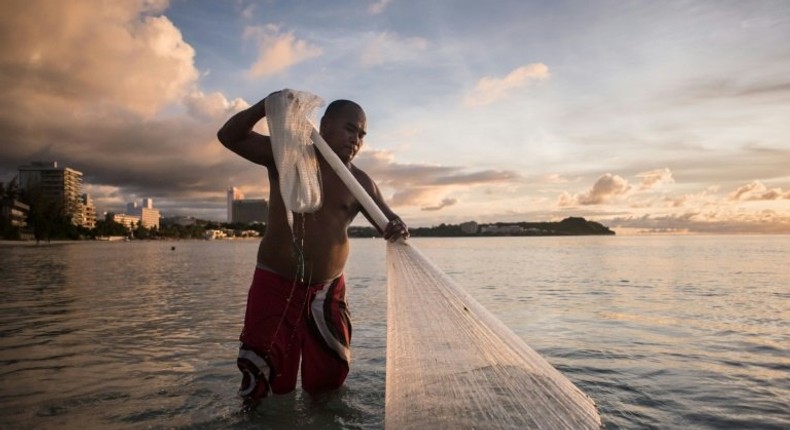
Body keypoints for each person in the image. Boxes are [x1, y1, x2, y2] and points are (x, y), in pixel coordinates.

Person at [217, 92, 409, 408]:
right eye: (350, 129)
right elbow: (229, 136)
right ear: (325, 125)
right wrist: (266, 107)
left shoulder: (359, 182)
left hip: (328, 294)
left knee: (328, 386)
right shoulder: (286, 156)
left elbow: (390, 223)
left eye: (362, 134)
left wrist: (399, 227)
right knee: (261, 385)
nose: (357, 139)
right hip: (275, 286)